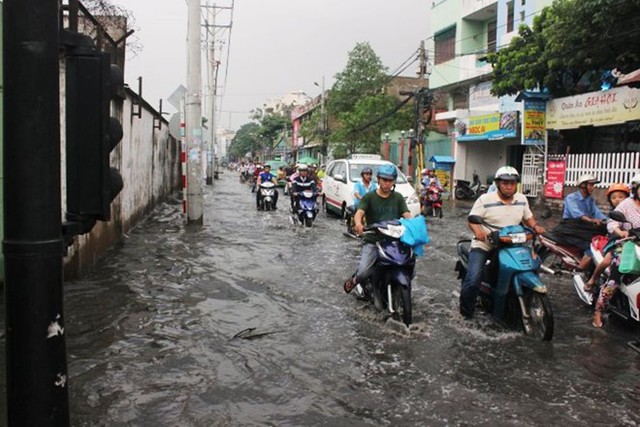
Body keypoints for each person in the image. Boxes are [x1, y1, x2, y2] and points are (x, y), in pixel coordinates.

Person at [459, 166, 546, 319]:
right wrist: (478, 232)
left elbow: (528, 218)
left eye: (512, 183)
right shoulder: (485, 199)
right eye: (505, 183)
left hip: (513, 244)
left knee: (533, 267)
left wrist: (535, 226)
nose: (509, 186)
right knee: (473, 280)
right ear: (498, 184)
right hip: (486, 244)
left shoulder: (522, 199)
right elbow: (472, 220)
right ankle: (466, 314)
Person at [343, 164, 412, 294]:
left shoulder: (397, 197)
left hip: (394, 240)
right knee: (363, 273)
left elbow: (406, 214)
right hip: (373, 240)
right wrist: (358, 224)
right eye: (384, 180)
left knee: (409, 267)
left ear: (394, 181)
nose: (387, 183)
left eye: (390, 180)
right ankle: (356, 280)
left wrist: (414, 224)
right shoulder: (369, 197)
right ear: (378, 180)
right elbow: (360, 212)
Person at [592, 175, 640, 327]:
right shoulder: (626, 204)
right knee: (615, 278)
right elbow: (612, 223)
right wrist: (621, 232)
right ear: (635, 189)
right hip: (627, 244)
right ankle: (598, 311)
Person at [584, 183, 630, 292]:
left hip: (632, 242)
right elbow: (613, 226)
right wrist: (620, 232)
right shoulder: (614, 214)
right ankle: (592, 279)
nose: (617, 200)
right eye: (614, 197)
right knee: (606, 261)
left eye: (621, 196)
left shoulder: (631, 210)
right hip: (617, 242)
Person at [557, 173, 608, 272]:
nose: (593, 188)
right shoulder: (571, 198)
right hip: (569, 228)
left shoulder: (590, 199)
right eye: (591, 185)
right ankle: (579, 272)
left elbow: (597, 213)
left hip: (583, 228)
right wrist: (591, 220)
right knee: (592, 247)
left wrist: (609, 221)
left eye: (593, 185)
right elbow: (577, 214)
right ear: (583, 185)